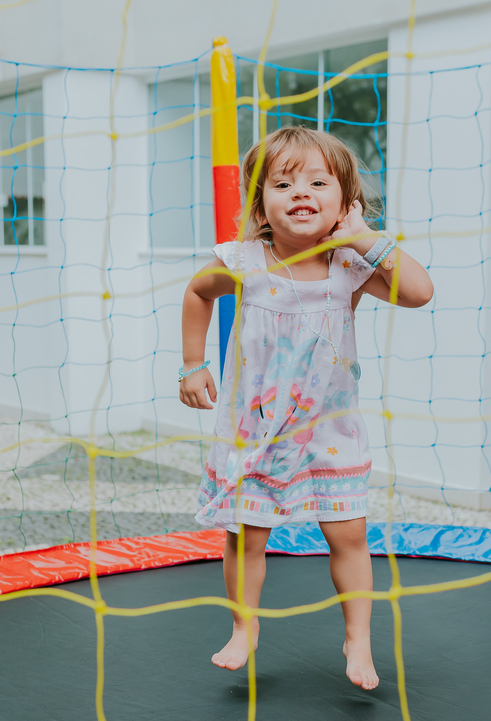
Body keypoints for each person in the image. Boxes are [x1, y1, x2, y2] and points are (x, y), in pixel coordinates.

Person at [179, 127, 433, 690]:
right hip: (256, 430)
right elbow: (198, 293)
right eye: (283, 183)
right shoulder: (244, 261)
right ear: (260, 204)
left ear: (345, 204)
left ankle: (358, 639)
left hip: (329, 430)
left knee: (349, 536)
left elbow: (419, 292)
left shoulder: (350, 265)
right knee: (246, 536)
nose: (301, 192)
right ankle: (244, 627)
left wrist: (365, 238)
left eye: (319, 183)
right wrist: (191, 365)